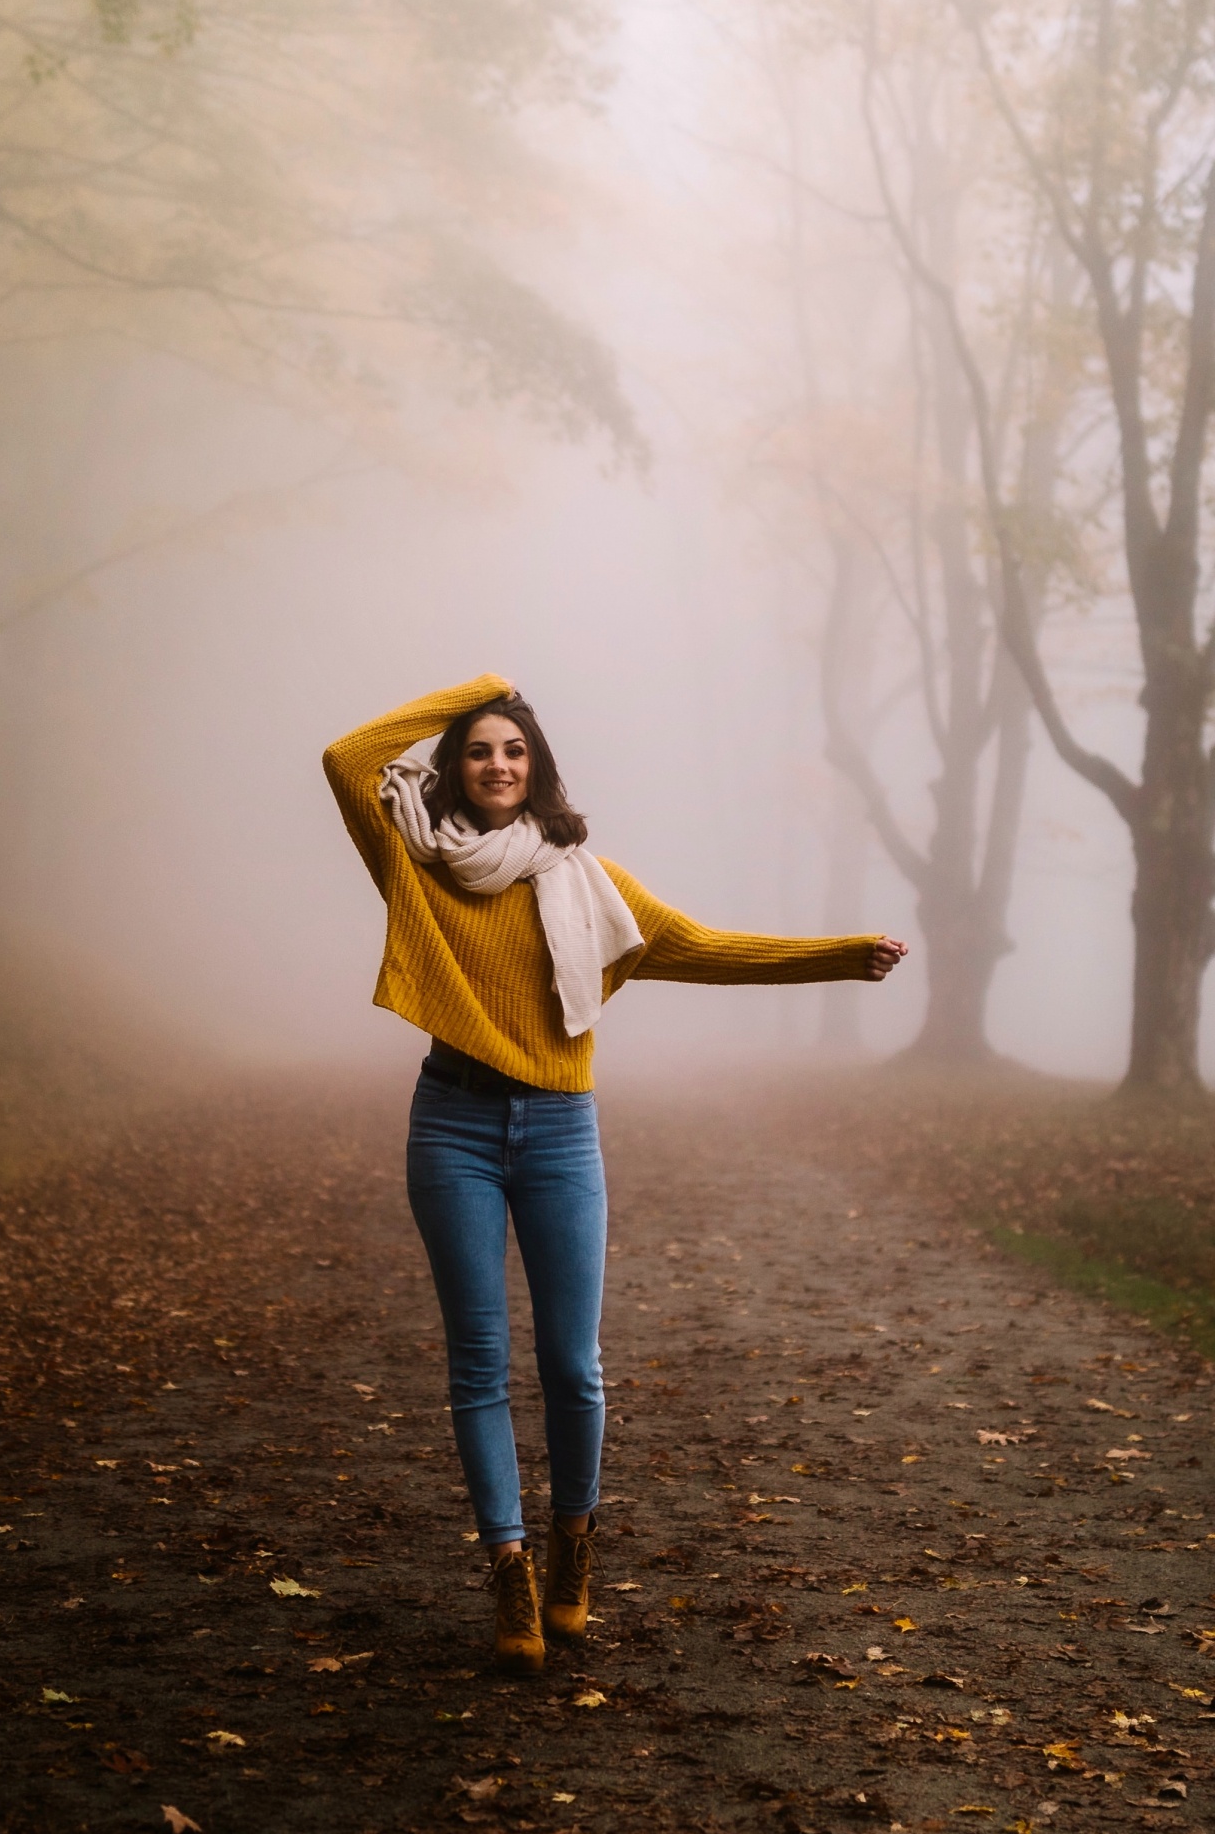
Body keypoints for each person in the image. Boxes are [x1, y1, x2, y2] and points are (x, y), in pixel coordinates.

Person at [323, 674, 907, 1676]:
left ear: (538, 768)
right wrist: (485, 686)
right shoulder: (414, 859)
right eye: (477, 749)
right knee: (478, 1362)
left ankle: (571, 1542)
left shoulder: (586, 882)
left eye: (514, 748)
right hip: (451, 1122)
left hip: (558, 1130)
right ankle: (506, 1565)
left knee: (572, 1363)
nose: (497, 763)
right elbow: (348, 757)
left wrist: (843, 955)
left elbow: (704, 945)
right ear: (453, 768)